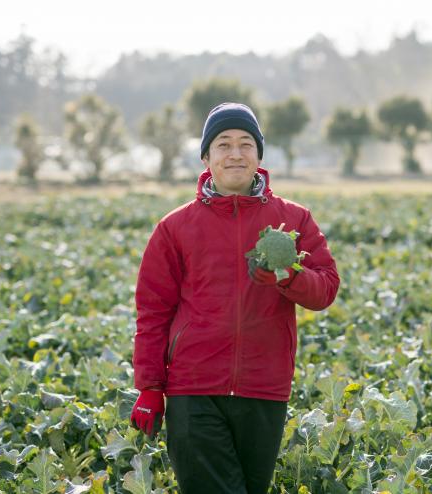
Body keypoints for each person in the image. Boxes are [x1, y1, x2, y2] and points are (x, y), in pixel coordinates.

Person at [129, 102, 339, 493]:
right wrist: (150, 387)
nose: (235, 153)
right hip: (194, 389)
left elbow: (325, 288)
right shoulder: (174, 228)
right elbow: (153, 313)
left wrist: (287, 275)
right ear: (206, 157)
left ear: (259, 155)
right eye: (223, 144)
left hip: (264, 387)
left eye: (246, 143)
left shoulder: (293, 220)